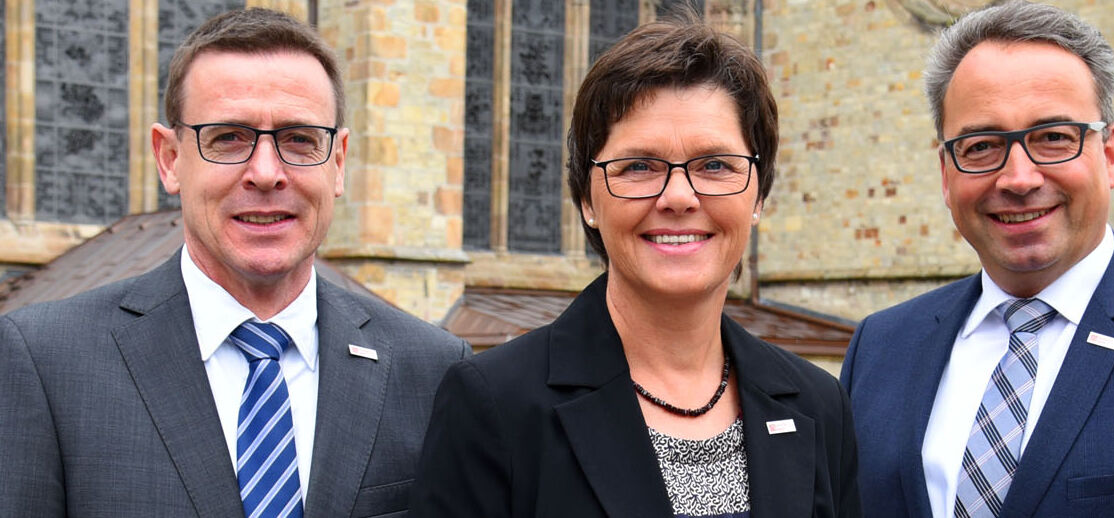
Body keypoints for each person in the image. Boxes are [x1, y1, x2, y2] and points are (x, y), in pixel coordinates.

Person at [0, 8, 469, 517]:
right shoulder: (46, 364)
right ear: (170, 159)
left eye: (298, 139)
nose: (266, 173)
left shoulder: (436, 371)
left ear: (337, 161)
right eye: (228, 138)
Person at [410, 11, 860, 518]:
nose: (679, 197)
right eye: (639, 166)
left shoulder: (818, 405)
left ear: (759, 194)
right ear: (586, 198)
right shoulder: (493, 403)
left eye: (714, 165)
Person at [841, 1, 1114, 517]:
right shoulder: (881, 346)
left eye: (1053, 139)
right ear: (945, 172)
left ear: (1110, 155)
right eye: (981, 146)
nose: (1019, 178)